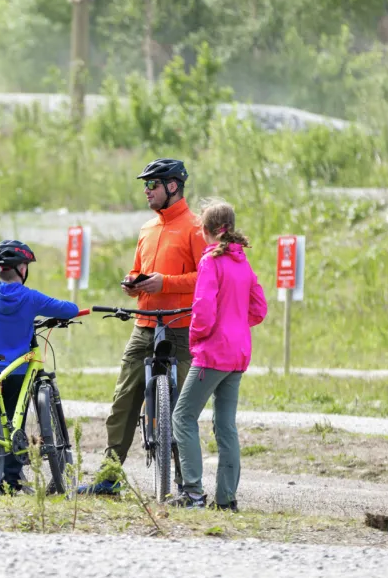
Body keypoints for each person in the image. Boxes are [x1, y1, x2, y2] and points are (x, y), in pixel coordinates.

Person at [80, 158, 207, 495]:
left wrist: (164, 283)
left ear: (173, 186)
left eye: (153, 184)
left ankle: (185, 485)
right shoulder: (147, 228)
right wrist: (133, 282)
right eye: (145, 185)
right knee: (122, 402)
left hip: (180, 325)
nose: (147, 191)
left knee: (179, 408)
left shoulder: (195, 227)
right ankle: (108, 478)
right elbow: (139, 269)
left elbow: (206, 278)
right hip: (144, 323)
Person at [170, 200, 267, 510]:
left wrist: (197, 338)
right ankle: (226, 499)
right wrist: (236, 324)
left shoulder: (211, 261)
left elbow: (204, 309)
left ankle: (194, 493)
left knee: (182, 416)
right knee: (226, 425)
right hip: (238, 354)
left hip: (212, 353)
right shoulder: (243, 262)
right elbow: (259, 308)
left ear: (205, 230)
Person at [0, 240, 79, 492]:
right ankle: (11, 479)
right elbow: (68, 309)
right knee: (13, 423)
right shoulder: (30, 298)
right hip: (16, 370)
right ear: (21, 269)